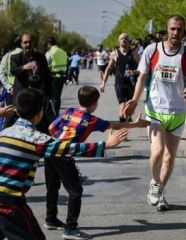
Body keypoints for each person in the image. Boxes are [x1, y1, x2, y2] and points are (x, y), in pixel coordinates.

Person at [0, 88, 126, 240]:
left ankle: (51, 219)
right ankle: (68, 227)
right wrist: (106, 144)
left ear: (17, 111)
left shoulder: (3, 134)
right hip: (10, 203)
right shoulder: (36, 140)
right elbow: (71, 148)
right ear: (40, 113)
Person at [124, 14, 186, 211]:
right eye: (172, 29)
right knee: (158, 151)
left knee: (170, 157)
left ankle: (160, 191)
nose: (176, 33)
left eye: (179, 29)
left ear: (184, 31)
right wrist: (135, 100)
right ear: (166, 29)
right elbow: (142, 78)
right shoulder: (153, 50)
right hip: (155, 110)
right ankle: (154, 183)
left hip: (177, 111)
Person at [44, 85, 149, 239]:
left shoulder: (69, 112)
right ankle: (71, 228)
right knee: (76, 191)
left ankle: (51, 219)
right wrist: (135, 125)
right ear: (94, 104)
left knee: (52, 187)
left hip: (50, 150)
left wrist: (59, 140)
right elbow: (114, 125)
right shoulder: (91, 120)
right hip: (64, 156)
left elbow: (51, 127)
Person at [9, 33, 53, 134]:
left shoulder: (40, 56)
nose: (28, 44)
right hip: (21, 94)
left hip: (38, 94)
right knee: (15, 120)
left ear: (33, 43)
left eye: (30, 42)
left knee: (42, 121)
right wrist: (24, 67)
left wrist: (49, 94)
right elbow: (13, 70)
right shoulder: (15, 57)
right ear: (21, 44)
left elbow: (47, 75)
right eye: (25, 42)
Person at [100, 33, 140, 122]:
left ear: (128, 41)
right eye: (121, 38)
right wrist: (103, 83)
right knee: (122, 105)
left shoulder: (134, 53)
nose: (124, 40)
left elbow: (142, 68)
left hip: (131, 84)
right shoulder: (114, 54)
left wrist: (134, 72)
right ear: (119, 41)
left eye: (126, 38)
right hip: (119, 83)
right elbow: (108, 69)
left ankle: (128, 117)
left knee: (129, 107)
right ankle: (123, 129)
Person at [46, 37, 68, 115]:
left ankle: (53, 115)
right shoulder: (63, 52)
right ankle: (56, 113)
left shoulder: (51, 52)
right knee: (57, 97)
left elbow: (45, 64)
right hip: (61, 77)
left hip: (53, 77)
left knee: (52, 98)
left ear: (49, 44)